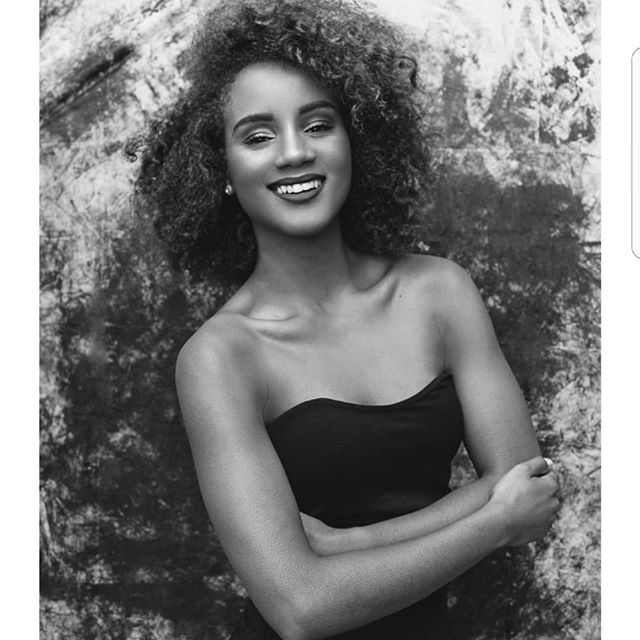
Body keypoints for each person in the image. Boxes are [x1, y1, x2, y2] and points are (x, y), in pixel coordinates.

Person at [130, 0, 561, 638]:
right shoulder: (219, 358)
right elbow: (301, 609)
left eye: (318, 124)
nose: (294, 153)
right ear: (220, 169)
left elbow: (527, 484)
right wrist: (492, 522)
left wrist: (341, 544)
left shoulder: (440, 292)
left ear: (356, 140)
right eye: (257, 136)